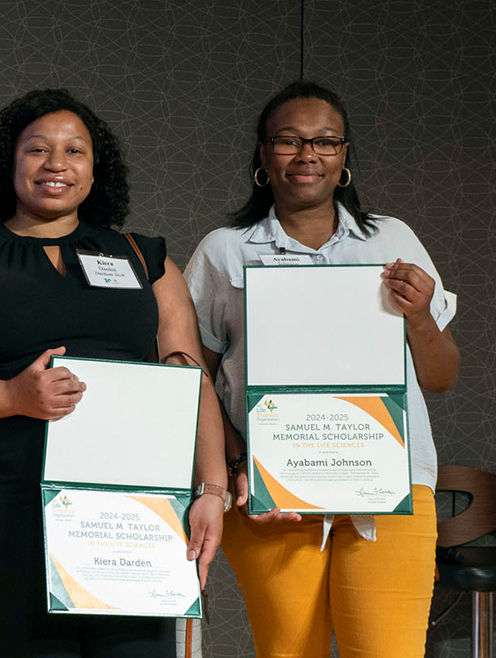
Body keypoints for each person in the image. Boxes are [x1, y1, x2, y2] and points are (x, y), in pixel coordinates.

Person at [0, 89, 227, 658]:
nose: (56, 165)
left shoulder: (145, 259)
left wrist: (211, 488)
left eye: (75, 151)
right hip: (8, 502)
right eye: (37, 150)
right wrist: (11, 395)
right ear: (8, 162)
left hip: (134, 506)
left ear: (97, 170)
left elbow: (189, 376)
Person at [185, 81, 460, 658]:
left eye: (325, 141)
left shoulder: (391, 239)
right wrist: (236, 462)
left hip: (390, 487)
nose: (307, 154)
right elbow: (192, 380)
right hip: (270, 489)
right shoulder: (224, 250)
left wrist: (421, 319)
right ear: (262, 156)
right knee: (289, 652)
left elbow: (439, 376)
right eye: (288, 140)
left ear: (344, 157)